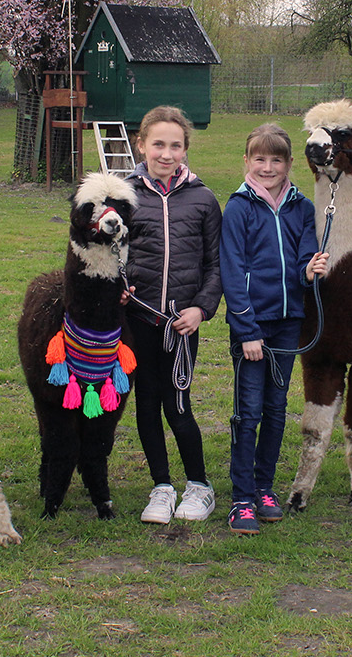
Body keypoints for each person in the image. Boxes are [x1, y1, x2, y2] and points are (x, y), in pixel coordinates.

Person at [219, 124, 329, 535]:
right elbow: (232, 272)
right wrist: (247, 331)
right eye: (260, 159)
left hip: (287, 326)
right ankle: (241, 497)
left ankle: (264, 488)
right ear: (247, 161)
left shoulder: (301, 207)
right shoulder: (239, 208)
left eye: (276, 160)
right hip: (252, 326)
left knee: (276, 409)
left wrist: (309, 269)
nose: (268, 167)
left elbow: (303, 258)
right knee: (247, 411)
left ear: (288, 164)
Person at [124, 105, 223, 524]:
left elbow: (216, 265)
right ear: (141, 144)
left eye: (176, 145)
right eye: (158, 144)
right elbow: (107, 254)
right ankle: (161, 486)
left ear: (186, 149)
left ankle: (199, 486)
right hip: (139, 321)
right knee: (146, 403)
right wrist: (118, 288)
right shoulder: (122, 194)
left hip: (181, 326)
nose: (166, 154)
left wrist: (201, 309)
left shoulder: (202, 199)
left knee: (177, 404)